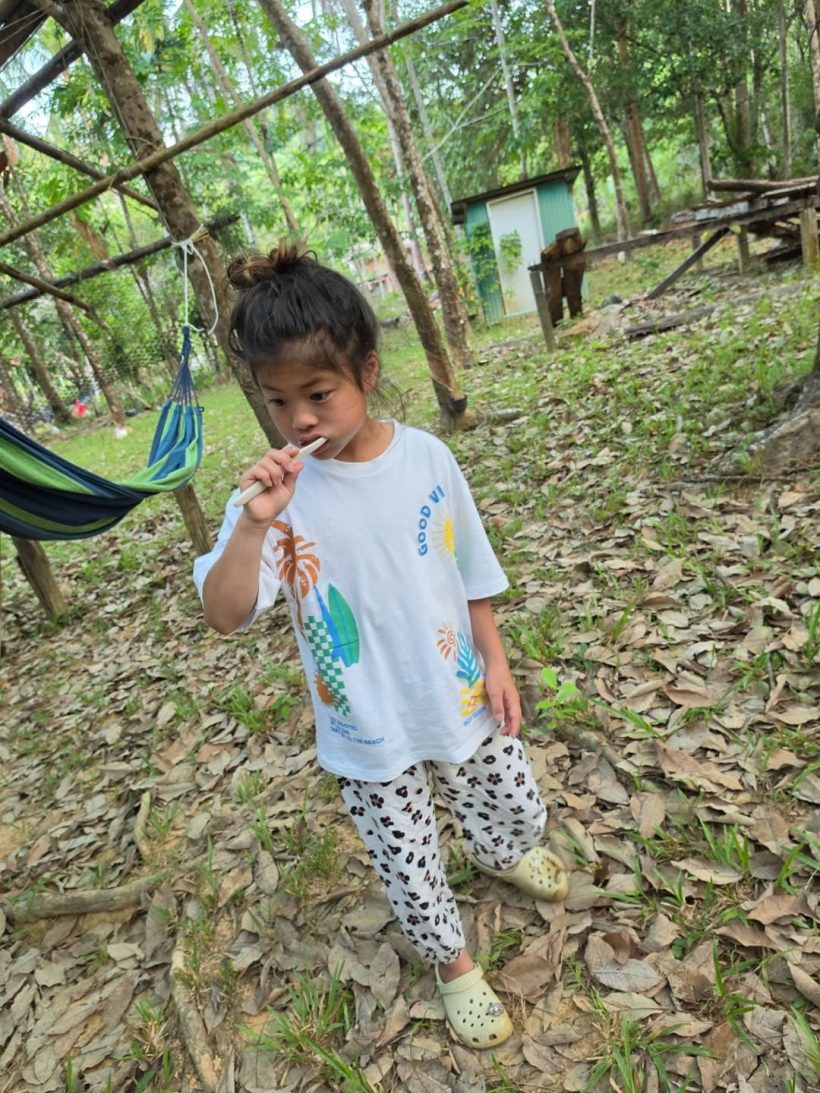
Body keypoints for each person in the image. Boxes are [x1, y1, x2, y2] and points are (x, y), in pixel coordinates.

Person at [193, 244, 569, 1049]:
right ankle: (454, 960)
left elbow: (469, 566)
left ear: (366, 371)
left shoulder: (428, 456)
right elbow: (224, 612)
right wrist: (254, 522)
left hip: (458, 690)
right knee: (410, 859)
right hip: (366, 726)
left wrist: (495, 659)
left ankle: (502, 851)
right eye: (279, 400)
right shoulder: (273, 503)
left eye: (319, 393)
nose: (300, 420)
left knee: (508, 801)